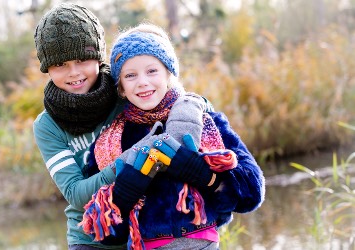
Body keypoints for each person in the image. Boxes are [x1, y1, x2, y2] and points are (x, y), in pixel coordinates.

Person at [80, 23, 265, 250]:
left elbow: (252, 195)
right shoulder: (109, 142)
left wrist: (204, 175)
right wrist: (124, 193)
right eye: (130, 75)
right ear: (121, 88)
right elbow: (104, 233)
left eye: (152, 71)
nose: (142, 82)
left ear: (169, 72)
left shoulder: (205, 119)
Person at [32, 4, 162, 250]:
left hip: (149, 228)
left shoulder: (124, 90)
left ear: (99, 55)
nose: (74, 73)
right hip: (91, 238)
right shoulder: (47, 125)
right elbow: (77, 194)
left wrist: (194, 103)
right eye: (60, 64)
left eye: (82, 60)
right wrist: (132, 159)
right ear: (47, 68)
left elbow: (167, 94)